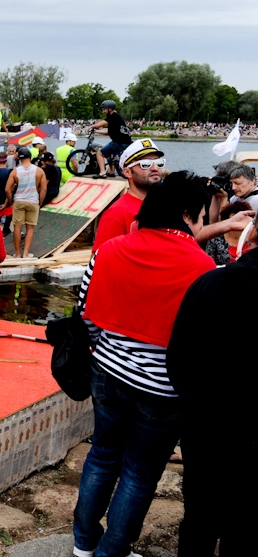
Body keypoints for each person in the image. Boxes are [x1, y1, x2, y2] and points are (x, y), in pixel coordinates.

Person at [74, 171, 215, 557]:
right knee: (138, 473)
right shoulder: (203, 269)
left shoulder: (110, 250)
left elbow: (84, 316)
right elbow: (201, 345)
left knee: (101, 455)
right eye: (202, 215)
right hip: (163, 392)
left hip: (106, 373)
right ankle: (111, 551)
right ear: (188, 214)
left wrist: (110, 351)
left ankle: (83, 544)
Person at [167, 218, 257, 557]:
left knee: (199, 517)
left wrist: (194, 404)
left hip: (207, 424)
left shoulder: (211, 283)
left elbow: (178, 358)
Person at [92, 139, 164, 251]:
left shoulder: (165, 206)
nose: (155, 168)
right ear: (127, 172)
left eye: (159, 163)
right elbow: (100, 261)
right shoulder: (116, 215)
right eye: (145, 164)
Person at [5, 146, 47, 258]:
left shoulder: (15, 171)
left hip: (18, 200)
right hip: (33, 200)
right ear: (30, 156)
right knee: (30, 228)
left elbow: (7, 189)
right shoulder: (39, 171)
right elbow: (43, 189)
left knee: (17, 227)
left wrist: (10, 201)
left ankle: (17, 254)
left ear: (19, 158)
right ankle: (26, 253)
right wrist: (40, 202)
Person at [88, 100, 133, 178]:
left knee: (99, 153)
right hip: (125, 142)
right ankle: (111, 171)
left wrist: (91, 126)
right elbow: (109, 132)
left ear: (110, 109)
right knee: (109, 154)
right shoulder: (116, 117)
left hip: (119, 142)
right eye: (102, 109)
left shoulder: (113, 116)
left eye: (104, 109)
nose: (103, 111)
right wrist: (97, 131)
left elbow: (102, 123)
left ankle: (102, 173)